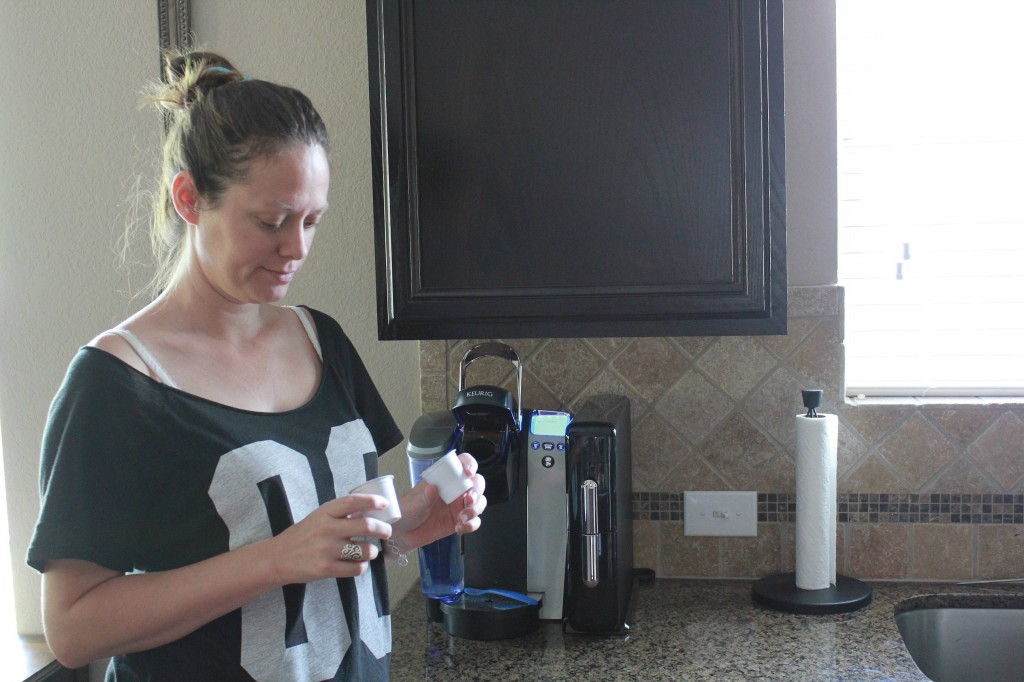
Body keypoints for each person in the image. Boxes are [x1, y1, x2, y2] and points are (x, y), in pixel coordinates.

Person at [26, 50, 486, 681]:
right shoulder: (117, 384)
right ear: (189, 199)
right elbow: (75, 629)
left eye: (311, 221)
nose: (295, 247)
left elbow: (321, 556)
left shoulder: (319, 339)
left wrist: (406, 525)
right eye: (270, 221)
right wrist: (273, 559)